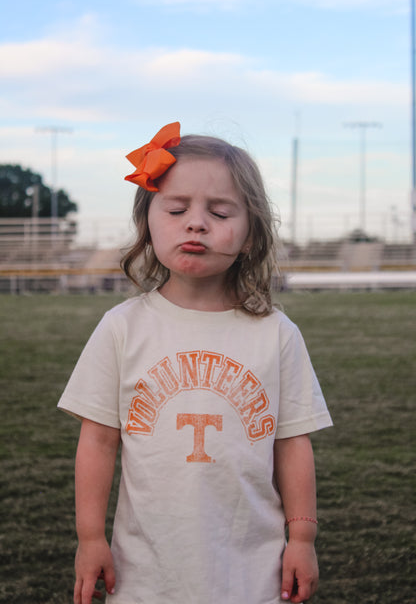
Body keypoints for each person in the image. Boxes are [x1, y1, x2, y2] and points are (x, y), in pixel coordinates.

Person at [58, 122, 333, 604]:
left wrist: (303, 539)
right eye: (177, 208)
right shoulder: (122, 328)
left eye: (220, 211)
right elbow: (98, 441)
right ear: (149, 223)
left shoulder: (277, 334)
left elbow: (293, 444)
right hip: (143, 573)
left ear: (250, 235)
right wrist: (90, 538)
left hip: (252, 572)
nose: (196, 223)